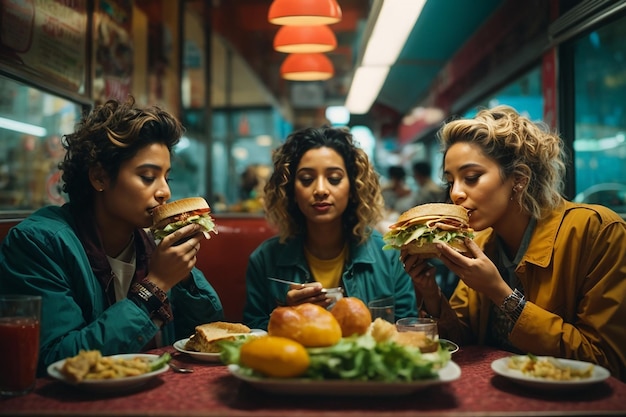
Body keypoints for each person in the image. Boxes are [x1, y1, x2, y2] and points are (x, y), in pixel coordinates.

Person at [0, 97, 224, 375]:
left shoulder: (151, 243)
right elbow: (57, 360)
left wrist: (184, 272)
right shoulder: (37, 244)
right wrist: (154, 286)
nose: (164, 191)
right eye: (147, 176)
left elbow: (206, 334)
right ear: (99, 177)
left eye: (167, 177)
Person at [402, 106, 626, 380]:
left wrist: (501, 293)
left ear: (518, 179)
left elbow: (606, 362)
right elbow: (461, 342)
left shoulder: (598, 231)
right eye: (451, 181)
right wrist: (430, 292)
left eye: (471, 178)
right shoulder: (482, 241)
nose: (456, 193)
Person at [243, 126, 417, 330]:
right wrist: (288, 314)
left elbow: (408, 328)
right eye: (306, 179)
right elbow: (252, 330)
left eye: (334, 179)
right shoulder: (264, 259)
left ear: (353, 187)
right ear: (291, 190)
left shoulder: (388, 255)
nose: (320, 190)